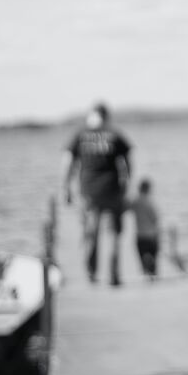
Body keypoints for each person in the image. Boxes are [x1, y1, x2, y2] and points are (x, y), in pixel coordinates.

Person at [63, 102, 131, 286]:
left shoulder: (80, 134)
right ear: (106, 116)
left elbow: (68, 162)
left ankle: (91, 273)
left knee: (91, 232)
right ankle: (114, 276)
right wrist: (127, 187)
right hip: (113, 190)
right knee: (114, 233)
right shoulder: (115, 134)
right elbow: (127, 163)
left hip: (88, 192)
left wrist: (66, 187)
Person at [129, 178, 160, 279]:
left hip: (140, 235)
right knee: (153, 255)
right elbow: (155, 218)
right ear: (148, 189)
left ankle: (146, 268)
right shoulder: (150, 202)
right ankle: (152, 272)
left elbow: (127, 207)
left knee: (143, 254)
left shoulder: (136, 201)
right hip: (151, 235)